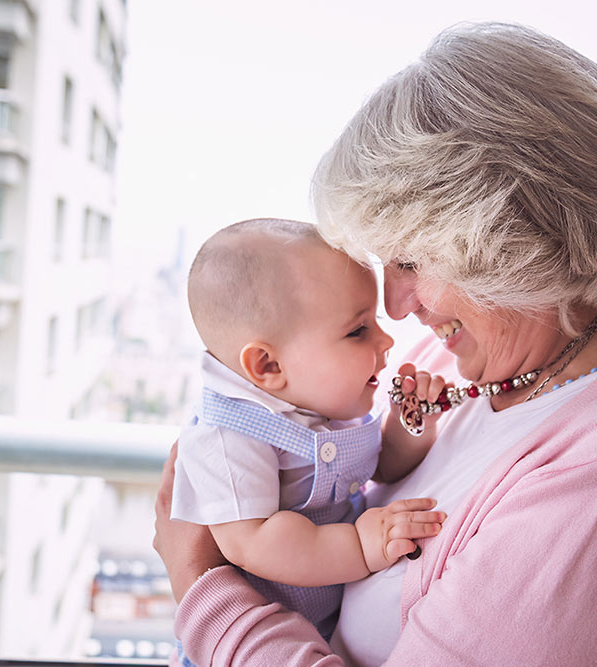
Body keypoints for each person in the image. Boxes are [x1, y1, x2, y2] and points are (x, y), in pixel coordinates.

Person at [154, 22, 597, 666]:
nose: (395, 307)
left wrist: (201, 586)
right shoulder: (474, 352)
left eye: (410, 261)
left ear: (517, 248)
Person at [172, 218, 448, 645]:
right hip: (262, 641)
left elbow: (383, 467)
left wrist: (412, 424)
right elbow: (254, 542)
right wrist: (359, 546)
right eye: (358, 330)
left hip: (323, 628)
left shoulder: (324, 400)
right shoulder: (229, 437)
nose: (386, 340)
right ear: (268, 366)